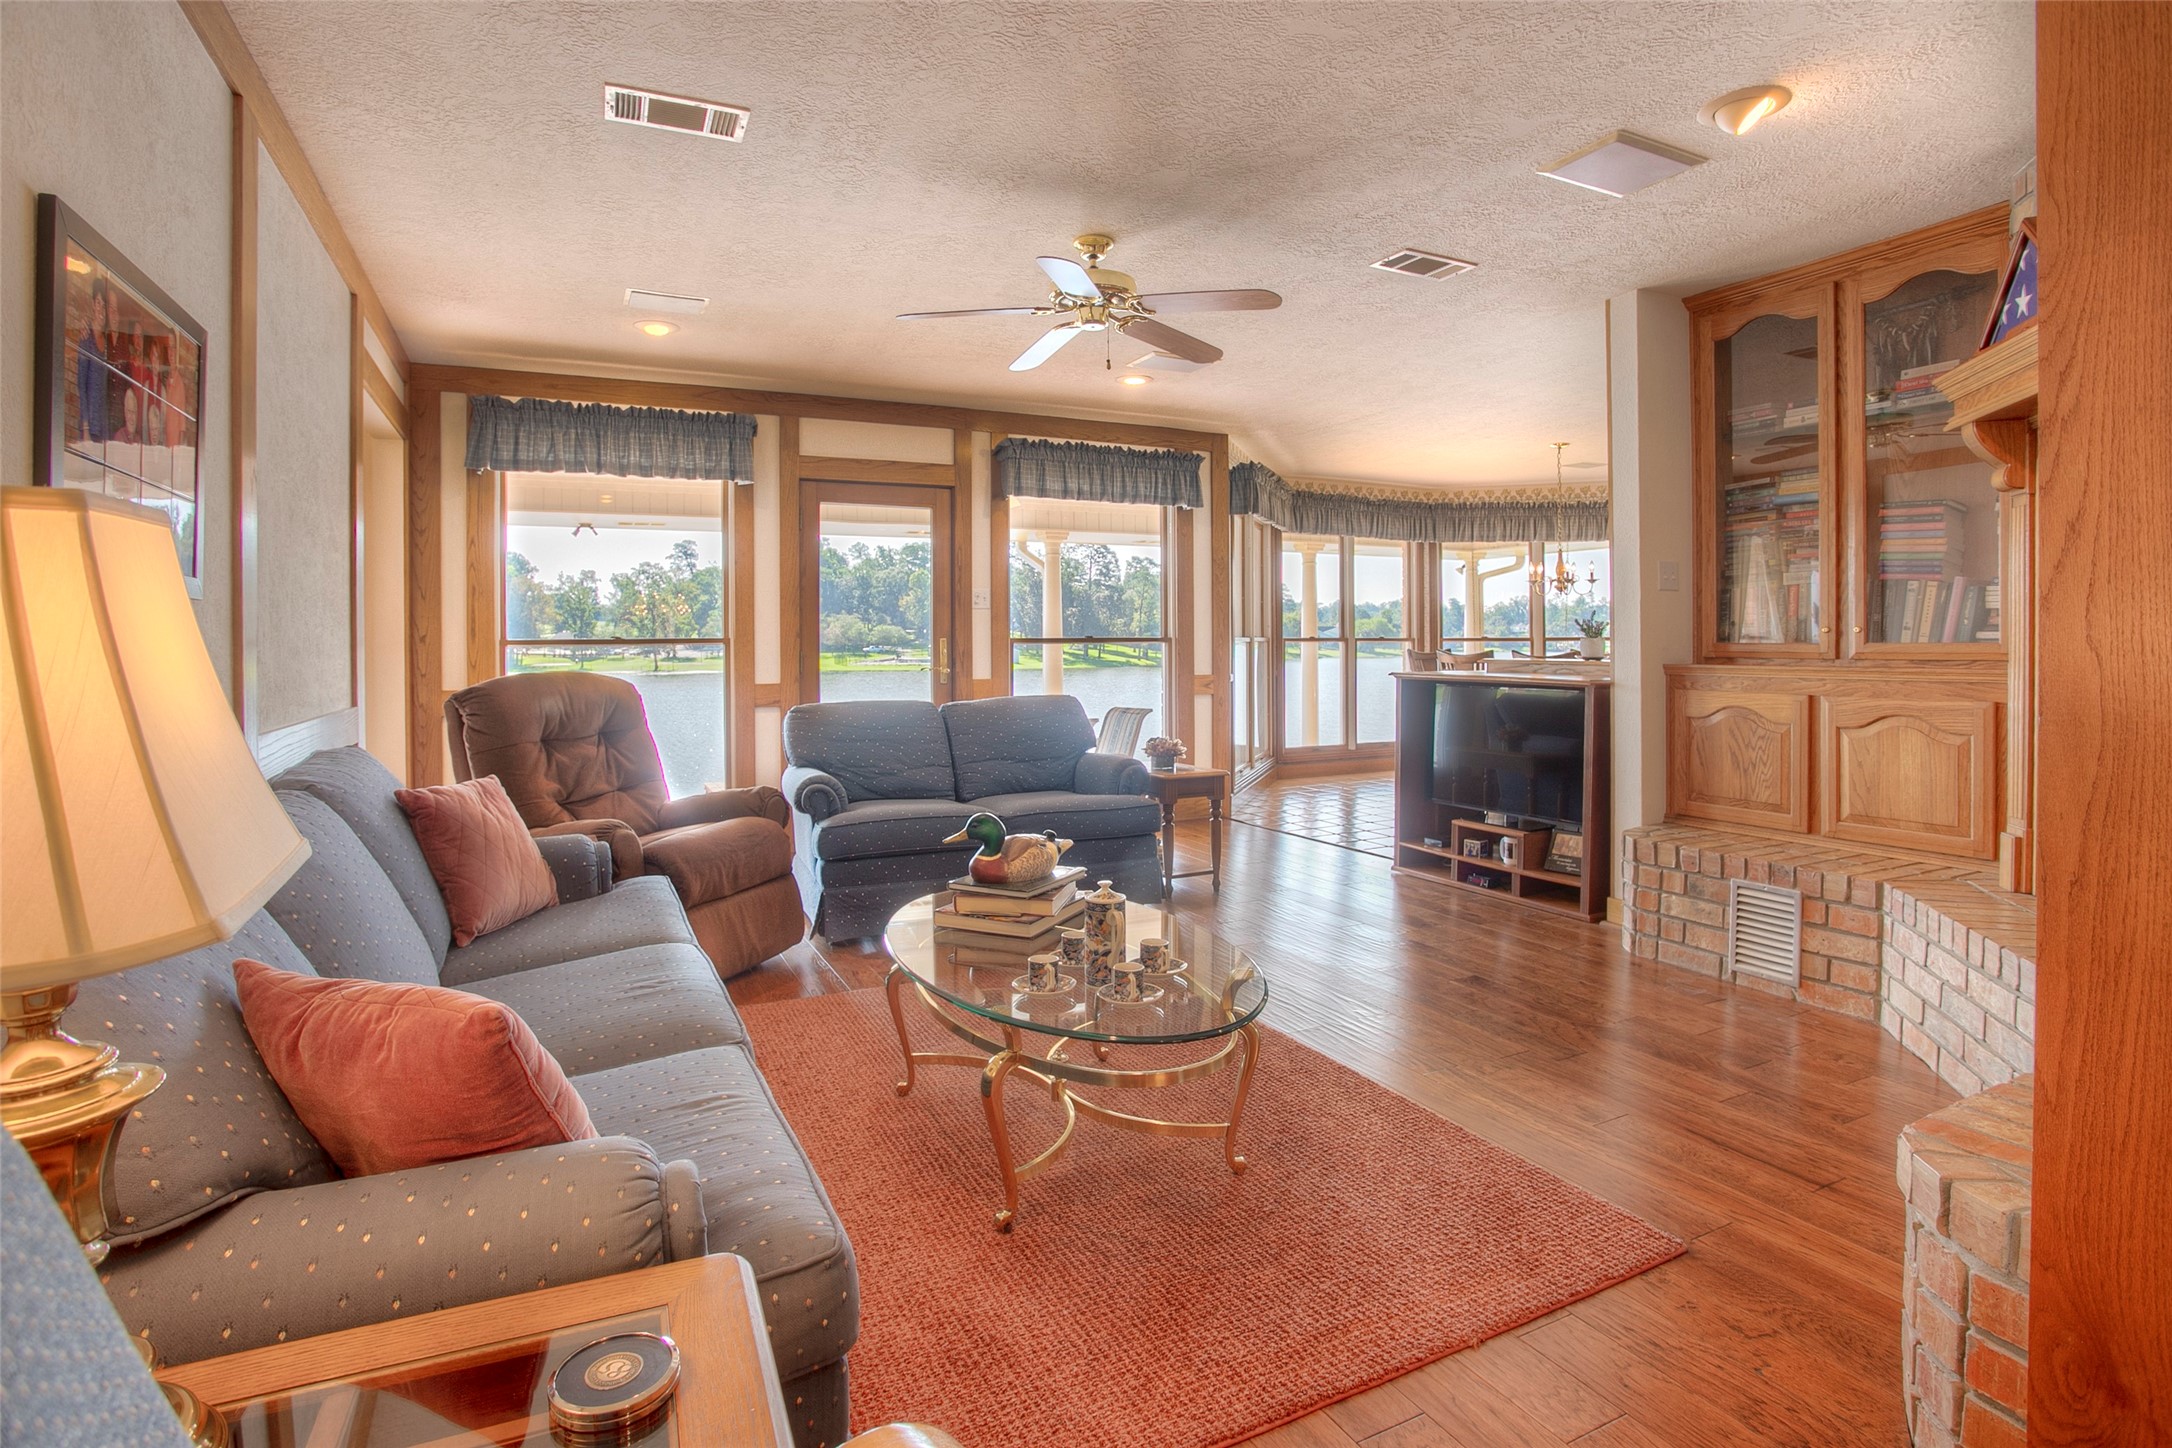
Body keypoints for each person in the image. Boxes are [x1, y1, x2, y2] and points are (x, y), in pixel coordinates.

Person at [73, 277, 110, 443]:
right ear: (93, 304)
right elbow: (81, 384)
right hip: (90, 425)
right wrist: (85, 427)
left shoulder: (107, 343)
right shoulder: (86, 337)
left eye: (104, 305)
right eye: (98, 303)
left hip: (103, 426)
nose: (100, 309)